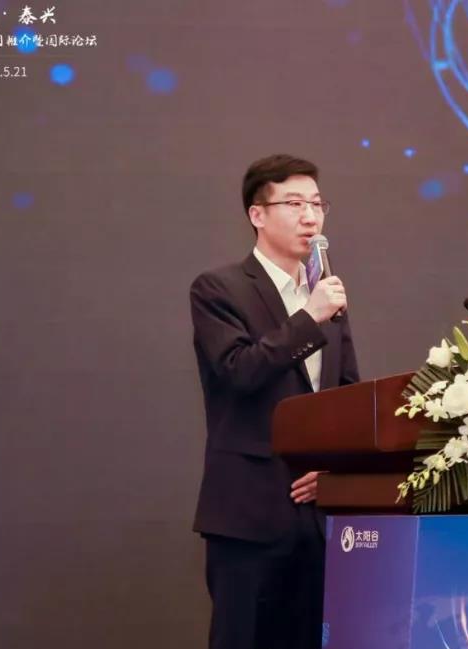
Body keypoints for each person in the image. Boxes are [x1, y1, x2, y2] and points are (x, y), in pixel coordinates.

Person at [190, 154, 360, 649]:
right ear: (257, 214)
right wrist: (309, 317)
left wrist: (336, 470)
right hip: (249, 513)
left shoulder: (326, 295)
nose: (310, 216)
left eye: (317, 204)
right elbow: (239, 371)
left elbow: (346, 393)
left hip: (319, 512)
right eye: (294, 203)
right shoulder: (219, 289)